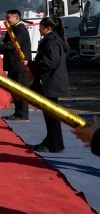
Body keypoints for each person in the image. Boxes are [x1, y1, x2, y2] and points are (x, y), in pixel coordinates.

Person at [26, 17, 70, 153]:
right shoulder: (54, 40)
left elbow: (50, 62)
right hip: (51, 81)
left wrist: (32, 65)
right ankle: (51, 140)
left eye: (41, 28)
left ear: (48, 28)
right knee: (50, 115)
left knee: (52, 116)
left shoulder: (52, 42)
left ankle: (55, 144)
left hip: (50, 82)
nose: (39, 30)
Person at [0, 9, 32, 121]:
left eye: (9, 18)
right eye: (6, 17)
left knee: (21, 90)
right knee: (14, 90)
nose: (6, 20)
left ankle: (23, 114)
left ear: (16, 18)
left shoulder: (21, 29)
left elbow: (12, 45)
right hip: (12, 64)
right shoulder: (11, 29)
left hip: (20, 65)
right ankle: (17, 112)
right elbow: (6, 45)